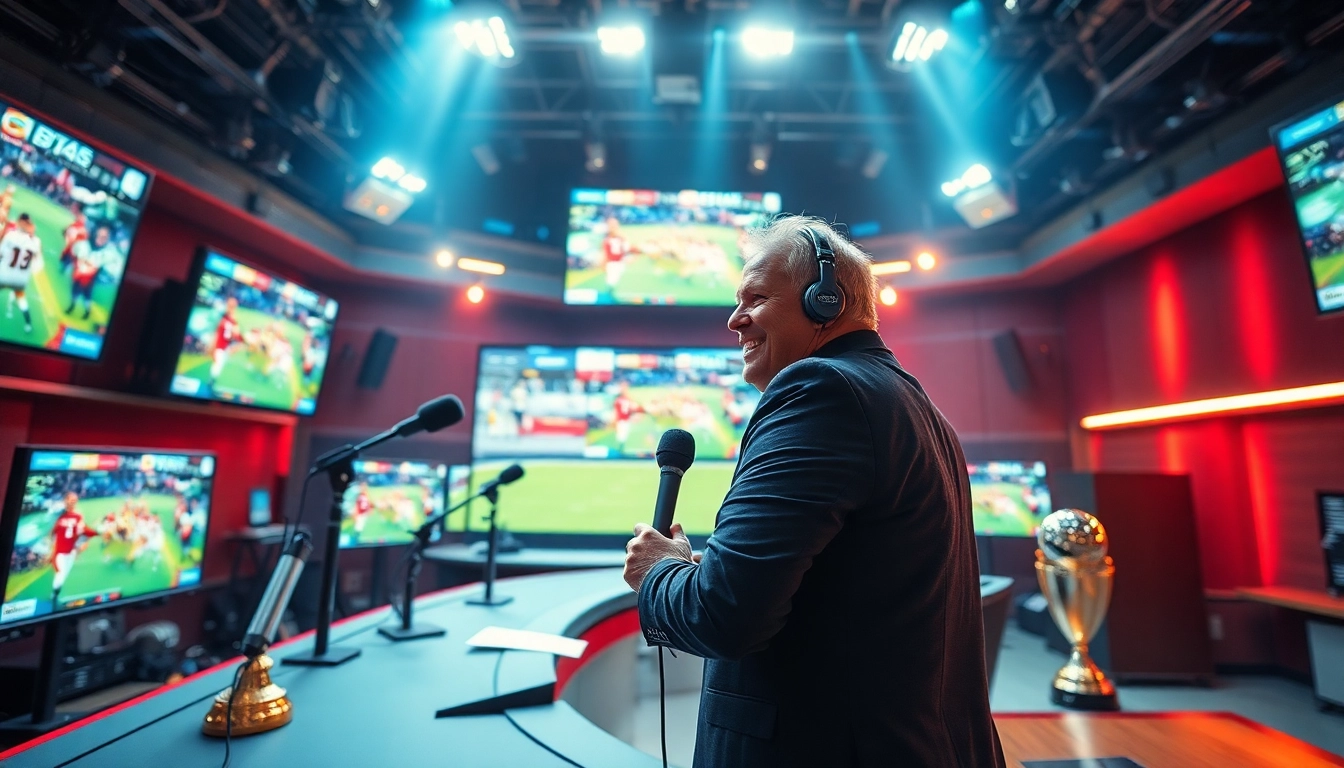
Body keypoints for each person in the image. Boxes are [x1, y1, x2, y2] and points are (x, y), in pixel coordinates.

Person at [623, 216, 1003, 767]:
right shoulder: (914, 404)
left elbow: (725, 615)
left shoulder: (821, 390)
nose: (734, 320)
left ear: (824, 299)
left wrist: (659, 571)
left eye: (754, 297)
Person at [0, 213, 43, 333]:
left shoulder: (11, 235)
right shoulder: (37, 242)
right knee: (21, 300)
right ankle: (28, 324)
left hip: (5, 274)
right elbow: (38, 265)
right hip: (20, 279)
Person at [50, 492, 94, 606]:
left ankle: (55, 594)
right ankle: (54, 595)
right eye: (71, 499)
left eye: (75, 499)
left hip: (71, 549)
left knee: (63, 575)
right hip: (60, 549)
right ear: (66, 500)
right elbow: (52, 529)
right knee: (61, 575)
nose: (73, 501)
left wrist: (81, 544)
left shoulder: (77, 515)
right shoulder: (58, 511)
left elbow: (80, 531)